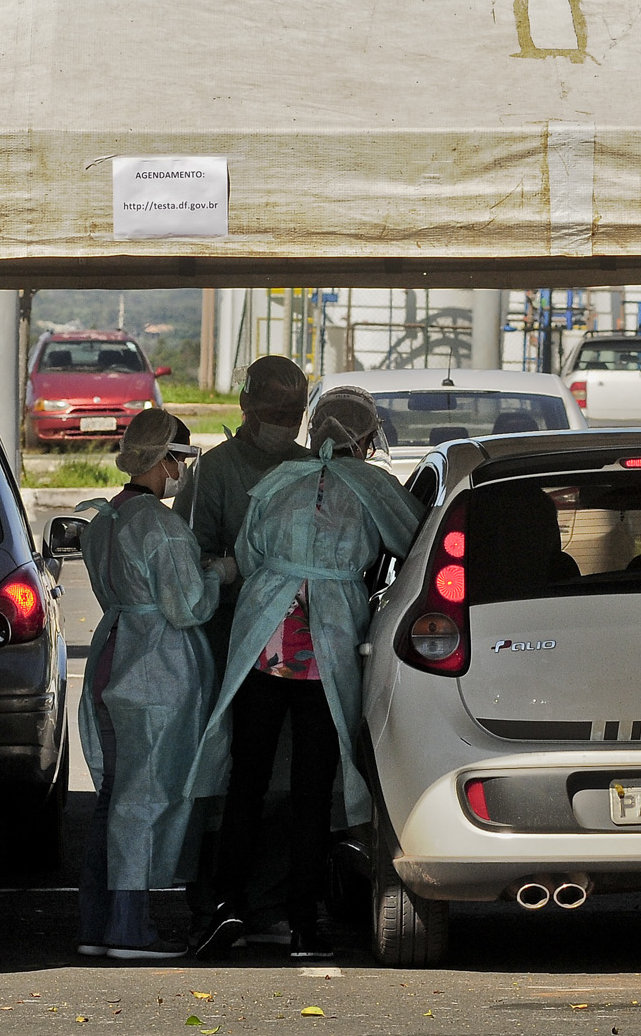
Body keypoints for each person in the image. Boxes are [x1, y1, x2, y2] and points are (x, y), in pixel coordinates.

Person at [189, 387, 423, 960]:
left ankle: (227, 906)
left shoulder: (275, 480)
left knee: (247, 778)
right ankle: (302, 922)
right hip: (328, 644)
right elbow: (416, 545)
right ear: (365, 438)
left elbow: (246, 551)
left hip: (263, 641)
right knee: (313, 789)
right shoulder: (376, 487)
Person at [76, 409, 225, 961]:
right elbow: (188, 606)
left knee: (115, 795)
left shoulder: (105, 519)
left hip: (114, 655)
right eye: (180, 461)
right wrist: (218, 574)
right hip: (155, 668)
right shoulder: (161, 527)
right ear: (163, 461)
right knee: (146, 796)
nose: (182, 471)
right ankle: (128, 927)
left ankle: (96, 921)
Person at [173, 356, 311, 664]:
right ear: (245, 402)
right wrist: (224, 571)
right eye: (277, 413)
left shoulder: (310, 467)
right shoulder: (213, 471)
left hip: (302, 629)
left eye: (295, 415)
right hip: (231, 624)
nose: (286, 424)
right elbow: (185, 557)